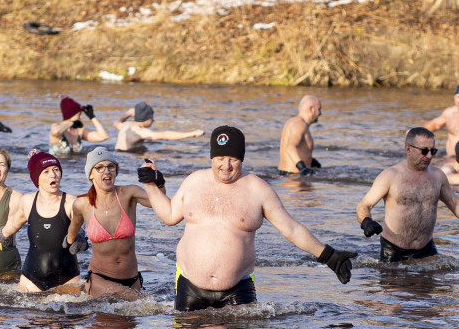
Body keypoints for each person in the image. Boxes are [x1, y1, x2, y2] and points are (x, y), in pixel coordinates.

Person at [141, 125, 357, 311]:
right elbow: (169, 215)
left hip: (237, 289)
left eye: (233, 159)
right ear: (211, 157)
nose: (226, 166)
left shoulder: (258, 189)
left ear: (241, 158)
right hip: (189, 286)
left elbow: (291, 229)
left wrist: (328, 255)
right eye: (220, 158)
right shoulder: (194, 181)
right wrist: (151, 186)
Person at [356, 127, 459, 263]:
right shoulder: (390, 176)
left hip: (426, 249)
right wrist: (366, 222)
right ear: (408, 149)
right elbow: (364, 205)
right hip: (393, 250)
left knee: (431, 287)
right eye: (424, 151)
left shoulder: (437, 176)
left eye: (433, 151)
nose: (429, 156)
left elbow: (455, 204)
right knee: (394, 287)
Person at [64, 147, 158, 301]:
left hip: (132, 280)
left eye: (110, 166)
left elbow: (159, 201)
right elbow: (73, 230)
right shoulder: (82, 204)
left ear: (116, 171)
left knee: (129, 322)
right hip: (100, 278)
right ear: (91, 174)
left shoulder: (130, 193)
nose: (106, 171)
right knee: (143, 303)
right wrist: (72, 240)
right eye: (99, 167)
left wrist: (156, 180)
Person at [0, 150, 82, 294]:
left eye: (56, 170)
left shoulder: (71, 201)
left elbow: (79, 225)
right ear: (37, 178)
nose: (53, 175)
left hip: (67, 278)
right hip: (31, 279)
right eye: (46, 172)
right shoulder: (28, 201)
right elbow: (12, 225)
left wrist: (80, 237)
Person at [112, 101, 204, 152]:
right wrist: (192, 134)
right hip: (128, 157)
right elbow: (165, 135)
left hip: (119, 153)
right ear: (148, 120)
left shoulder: (125, 125)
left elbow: (115, 123)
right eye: (152, 118)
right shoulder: (140, 132)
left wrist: (127, 114)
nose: (153, 120)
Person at [277, 94, 324, 176]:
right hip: (294, 178)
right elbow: (290, 147)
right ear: (311, 109)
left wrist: (311, 161)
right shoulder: (300, 125)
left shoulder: (292, 122)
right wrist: (302, 168)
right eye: (319, 109)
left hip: (286, 175)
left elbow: (295, 149)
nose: (320, 113)